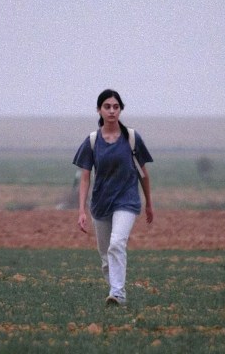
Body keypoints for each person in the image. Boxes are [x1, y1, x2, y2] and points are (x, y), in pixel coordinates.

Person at [72, 89, 154, 306]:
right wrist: (81, 210)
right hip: (100, 203)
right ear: (99, 110)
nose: (111, 111)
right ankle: (114, 289)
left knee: (117, 243)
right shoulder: (92, 141)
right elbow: (85, 178)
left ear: (121, 110)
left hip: (127, 201)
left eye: (116, 107)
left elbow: (143, 174)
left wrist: (149, 204)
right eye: (107, 107)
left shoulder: (132, 139)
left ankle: (118, 294)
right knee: (105, 254)